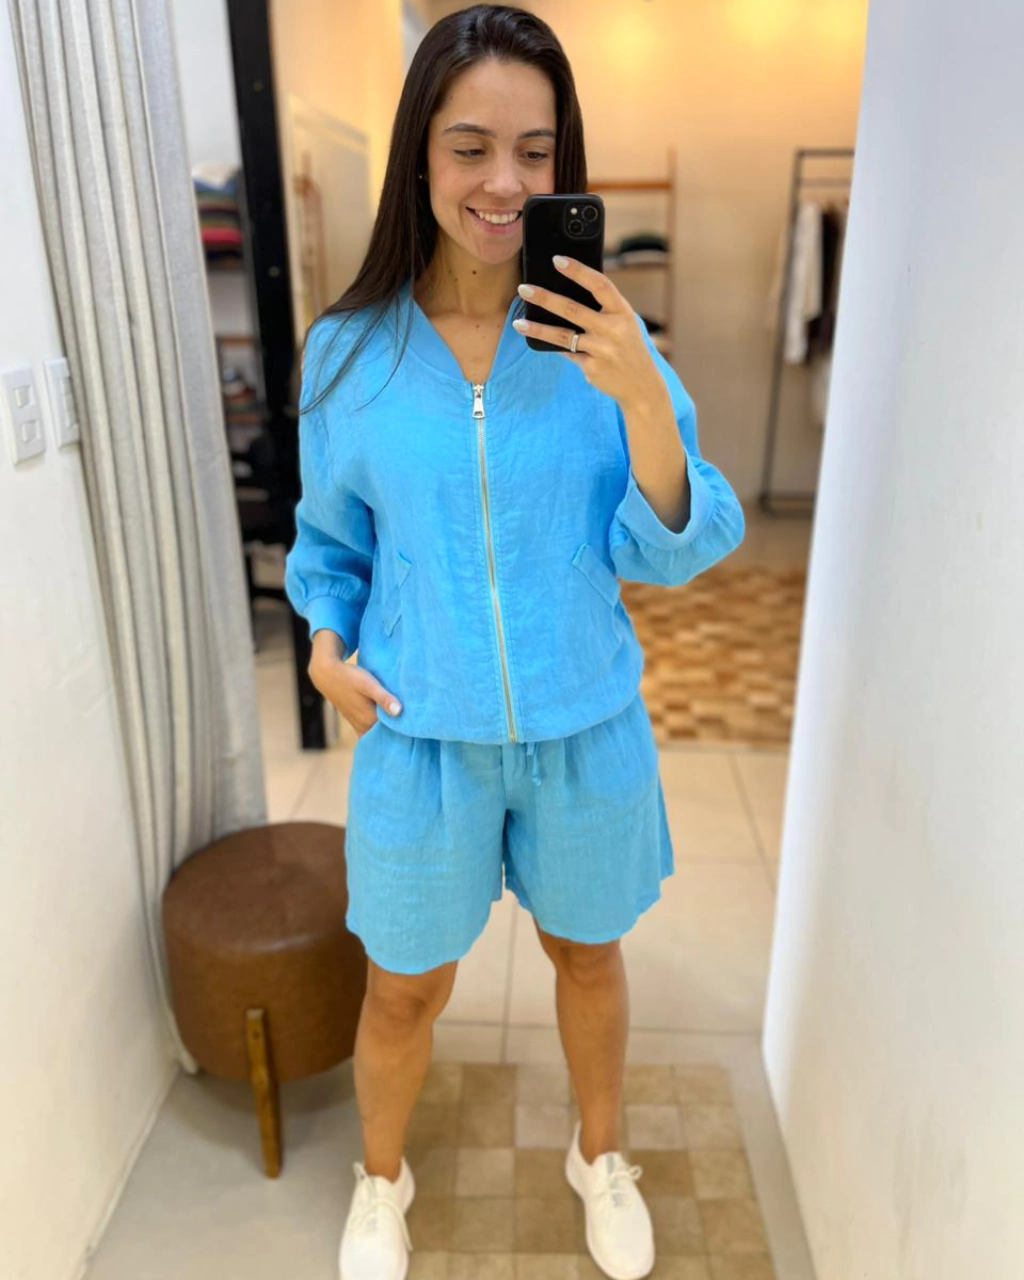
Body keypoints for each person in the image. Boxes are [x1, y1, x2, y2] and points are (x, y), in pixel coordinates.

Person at [284, 7, 745, 1278]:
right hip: (420, 732)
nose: (504, 183)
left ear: (563, 164)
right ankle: (382, 1177)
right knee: (402, 986)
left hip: (580, 724)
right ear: (420, 156)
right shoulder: (349, 353)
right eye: (471, 146)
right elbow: (328, 547)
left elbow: (679, 539)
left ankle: (599, 1154)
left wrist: (637, 389)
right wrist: (323, 643)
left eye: (535, 153)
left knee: (587, 958)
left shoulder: (602, 338)